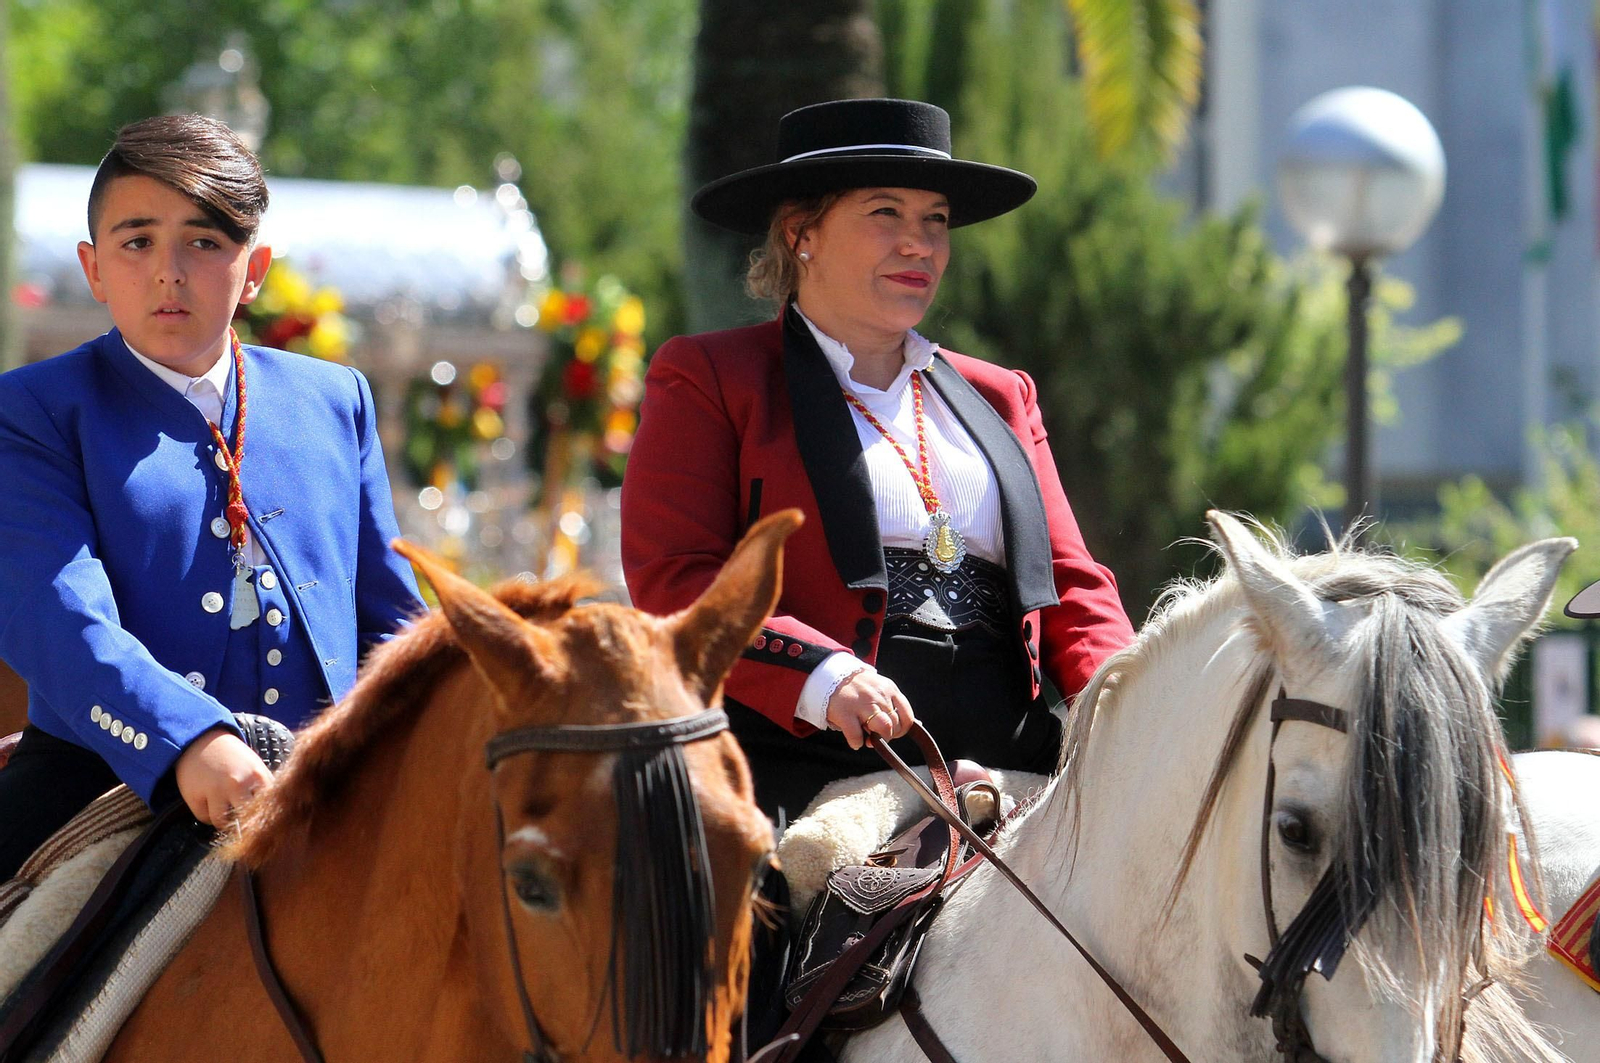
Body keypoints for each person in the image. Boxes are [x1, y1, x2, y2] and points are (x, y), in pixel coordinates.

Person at [621, 98, 1135, 826]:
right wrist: (821, 675)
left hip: (1018, 767)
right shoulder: (712, 377)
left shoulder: (1003, 394)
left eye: (935, 220)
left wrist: (1126, 697)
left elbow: (1075, 588)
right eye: (886, 214)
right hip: (810, 767)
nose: (919, 243)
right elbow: (676, 580)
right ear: (801, 233)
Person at [0, 115, 422, 880]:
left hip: (326, 795)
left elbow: (395, 626)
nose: (170, 271)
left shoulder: (336, 399)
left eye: (204, 241)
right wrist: (187, 739)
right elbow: (56, 619)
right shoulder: (31, 409)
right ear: (93, 269)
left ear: (253, 266)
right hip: (95, 784)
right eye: (137, 242)